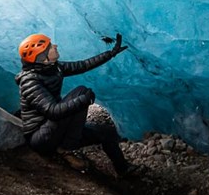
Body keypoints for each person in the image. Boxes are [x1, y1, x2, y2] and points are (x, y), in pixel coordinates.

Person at [15, 32, 135, 176]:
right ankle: (67, 149)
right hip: (41, 138)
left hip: (57, 129)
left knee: (106, 132)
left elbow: (83, 65)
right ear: (44, 58)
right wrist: (83, 100)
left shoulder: (53, 67)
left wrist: (110, 54)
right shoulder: (30, 82)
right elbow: (52, 111)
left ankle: (124, 171)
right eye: (50, 46)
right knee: (81, 93)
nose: (55, 45)